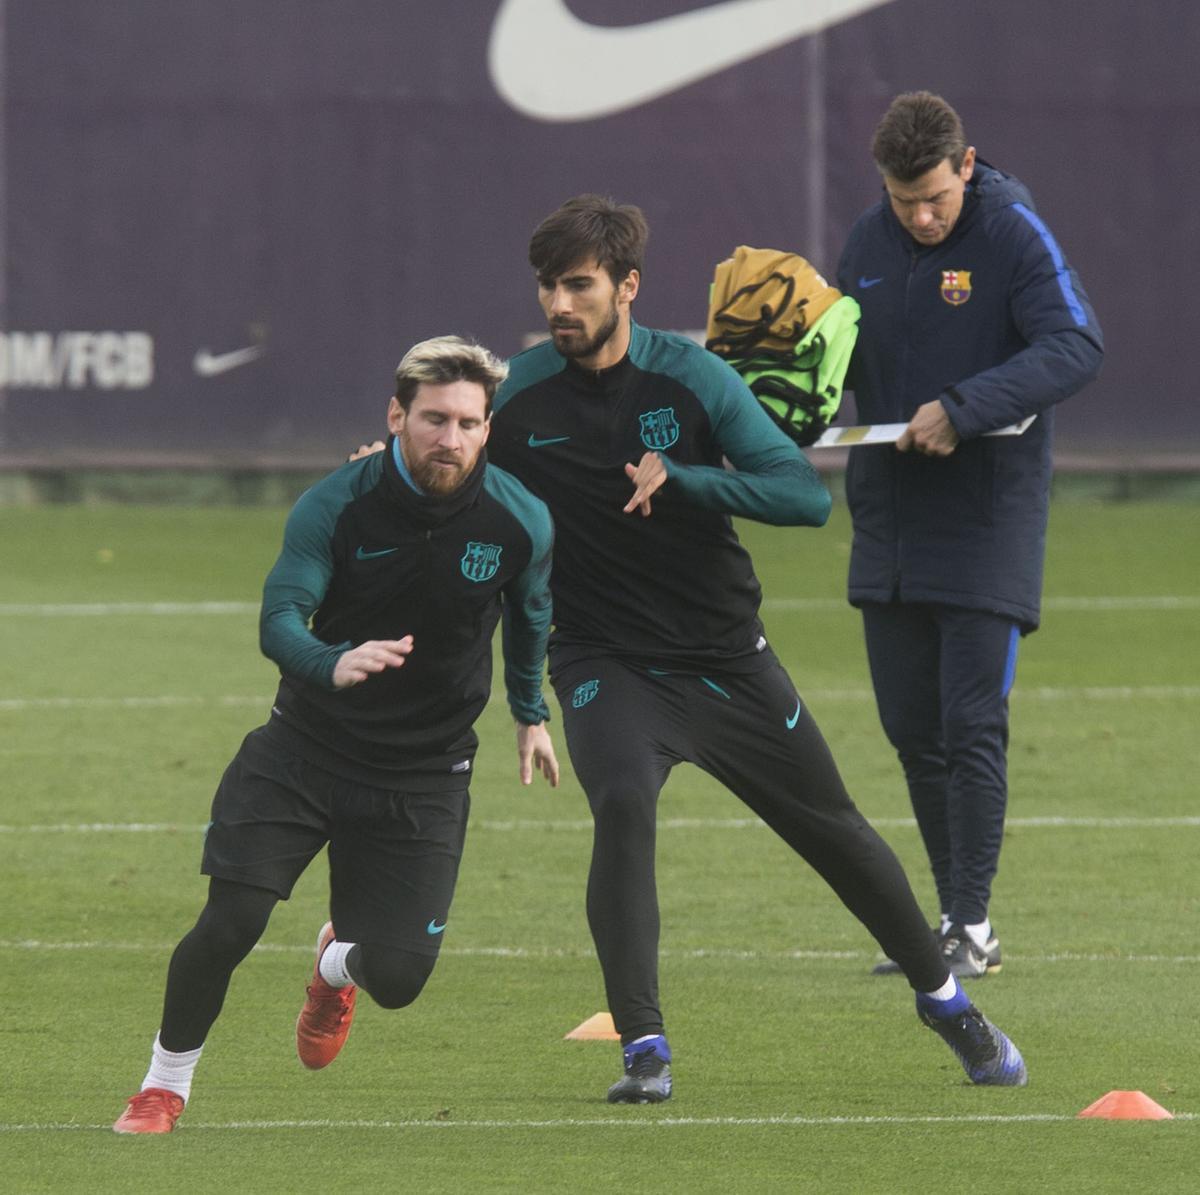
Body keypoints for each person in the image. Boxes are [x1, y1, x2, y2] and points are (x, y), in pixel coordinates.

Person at [484, 194, 1026, 1101]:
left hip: (725, 657)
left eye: (578, 285)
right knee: (622, 801)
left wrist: (688, 480)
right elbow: (454, 468)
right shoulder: (519, 393)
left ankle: (947, 1002)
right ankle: (644, 1047)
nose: (558, 304)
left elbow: (802, 495)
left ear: (628, 287)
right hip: (602, 659)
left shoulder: (692, 378)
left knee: (836, 832)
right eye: (548, 286)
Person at [112, 336, 559, 1134]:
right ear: (395, 416)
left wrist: (530, 711)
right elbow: (279, 617)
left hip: (426, 771)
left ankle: (332, 964)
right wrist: (331, 662)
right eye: (433, 418)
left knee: (399, 978)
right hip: (305, 749)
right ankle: (162, 1086)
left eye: (467, 422)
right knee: (232, 921)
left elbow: (529, 616)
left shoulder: (521, 519)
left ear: (488, 428)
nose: (449, 438)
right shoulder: (334, 504)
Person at [835, 93, 1104, 979]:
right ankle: (949, 924)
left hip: (987, 518)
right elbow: (836, 367)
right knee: (911, 730)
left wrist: (964, 407)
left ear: (968, 164)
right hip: (889, 521)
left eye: (936, 199)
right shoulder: (866, 242)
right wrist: (775, 370)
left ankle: (972, 923)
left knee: (970, 722)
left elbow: (1076, 343)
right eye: (903, 199)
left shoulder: (1012, 231)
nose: (920, 217)